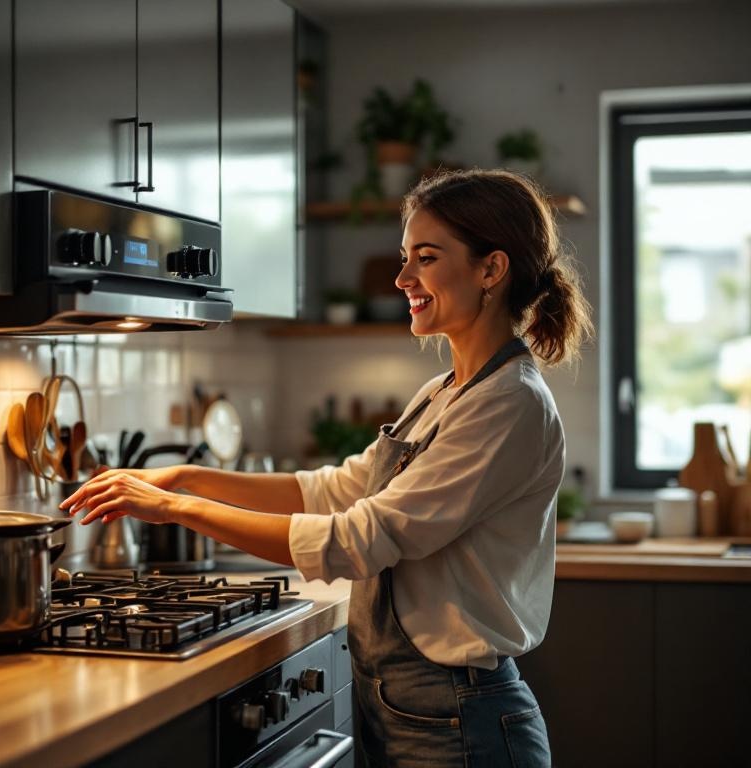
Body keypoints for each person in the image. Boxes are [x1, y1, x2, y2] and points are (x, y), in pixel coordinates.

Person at [62, 168, 594, 767]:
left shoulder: (509, 404)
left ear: (490, 269)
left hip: (460, 723)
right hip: (409, 708)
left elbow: (360, 539)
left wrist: (175, 508)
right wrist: (186, 476)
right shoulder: (447, 391)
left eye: (425, 257)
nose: (402, 278)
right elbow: (335, 489)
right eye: (404, 257)